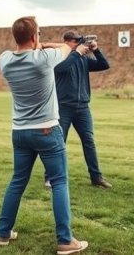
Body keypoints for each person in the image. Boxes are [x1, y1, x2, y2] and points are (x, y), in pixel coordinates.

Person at [0, 16, 88, 254]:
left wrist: (37, 42)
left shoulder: (5, 60)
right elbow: (69, 47)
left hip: (20, 131)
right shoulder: (44, 58)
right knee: (59, 182)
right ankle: (65, 240)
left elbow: (24, 47)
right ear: (35, 37)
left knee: (17, 182)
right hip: (47, 129)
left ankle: (3, 233)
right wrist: (45, 44)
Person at [46, 29, 112, 189]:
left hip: (83, 108)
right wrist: (76, 53)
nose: (80, 44)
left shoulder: (82, 58)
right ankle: (50, 178)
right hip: (64, 108)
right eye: (77, 42)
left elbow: (104, 65)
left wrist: (95, 49)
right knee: (58, 143)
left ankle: (96, 177)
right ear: (67, 42)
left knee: (89, 142)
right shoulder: (58, 56)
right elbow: (60, 69)